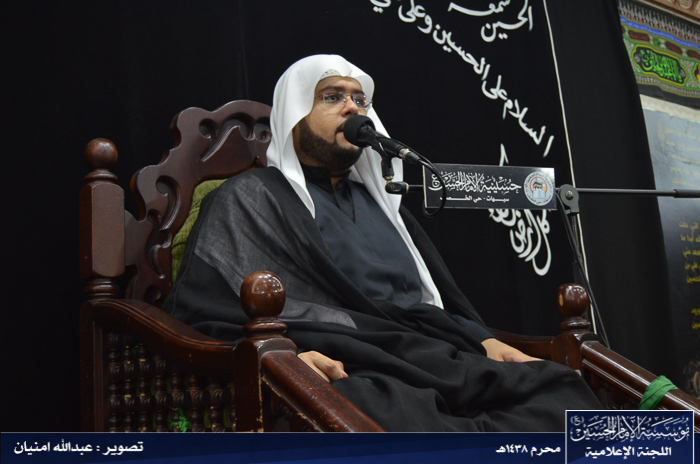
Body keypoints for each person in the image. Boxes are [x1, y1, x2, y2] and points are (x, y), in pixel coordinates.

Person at [163, 54, 601, 432]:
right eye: (332, 97)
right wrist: (283, 355)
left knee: (563, 391)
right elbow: (204, 310)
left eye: (360, 99)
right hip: (356, 369)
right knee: (379, 408)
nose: (352, 107)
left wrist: (482, 339)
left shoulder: (386, 209)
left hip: (435, 359)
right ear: (294, 116)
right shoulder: (251, 197)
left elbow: (429, 304)